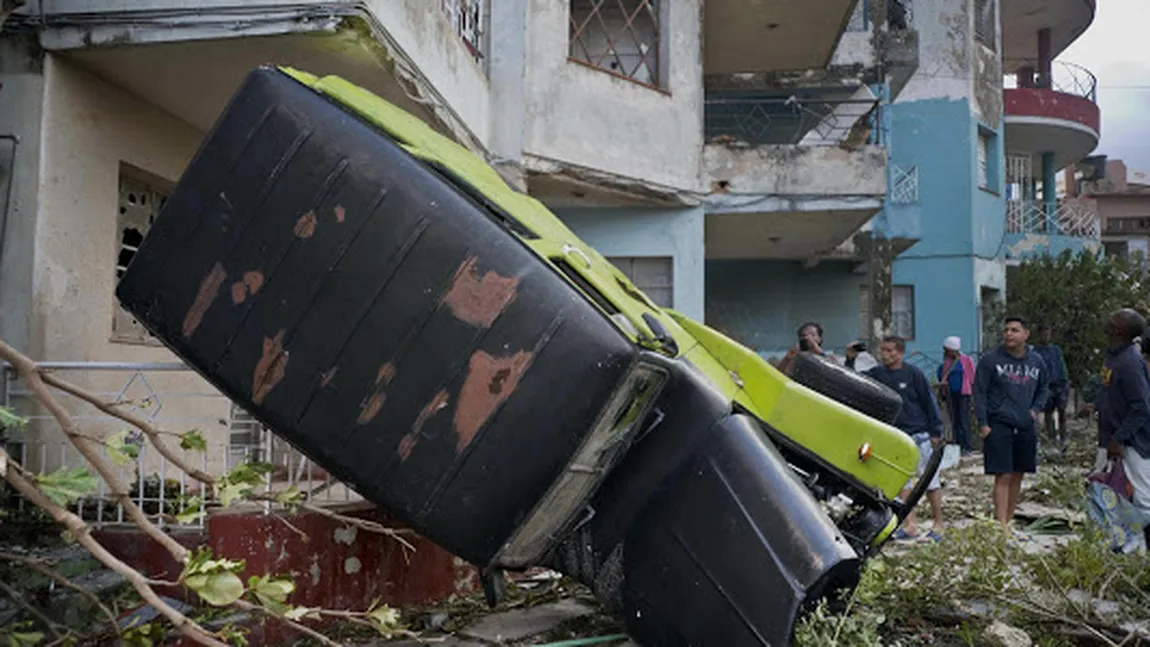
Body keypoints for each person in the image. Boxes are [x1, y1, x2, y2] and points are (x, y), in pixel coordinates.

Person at [865, 335, 946, 542]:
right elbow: (856, 379)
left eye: (890, 350)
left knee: (930, 481)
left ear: (900, 353)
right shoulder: (877, 374)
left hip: (918, 435)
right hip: (894, 436)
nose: (886, 354)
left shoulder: (913, 374)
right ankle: (910, 525)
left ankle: (939, 524)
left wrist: (936, 431)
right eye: (883, 350)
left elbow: (929, 402)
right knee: (902, 482)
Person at [973, 316, 1049, 535]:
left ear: (1026, 334)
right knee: (1002, 474)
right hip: (999, 423)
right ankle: (1000, 525)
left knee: (1018, 474)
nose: (1009, 334)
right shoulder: (990, 360)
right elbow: (980, 392)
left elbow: (1044, 387)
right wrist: (983, 423)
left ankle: (1010, 518)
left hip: (1025, 424)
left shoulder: (1036, 361)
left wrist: (1035, 410)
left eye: (1015, 330)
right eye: (1006, 330)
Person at [1098, 308, 1150, 544]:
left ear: (1122, 329)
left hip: (1133, 443)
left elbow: (1140, 407)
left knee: (1142, 499)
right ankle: (1124, 545)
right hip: (1112, 440)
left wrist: (1119, 438)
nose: (1109, 319)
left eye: (1115, 317)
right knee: (1113, 494)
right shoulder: (1113, 357)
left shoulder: (1129, 362)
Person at [937, 336, 976, 455]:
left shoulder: (966, 360)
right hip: (950, 394)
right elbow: (941, 374)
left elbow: (972, 376)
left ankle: (967, 447)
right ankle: (957, 445)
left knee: (963, 420)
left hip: (963, 394)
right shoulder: (946, 363)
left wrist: (974, 393)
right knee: (954, 420)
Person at [1034, 325, 1070, 447]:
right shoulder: (1035, 352)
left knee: (1062, 410)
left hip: (1060, 384)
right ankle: (1051, 437)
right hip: (1046, 386)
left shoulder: (1055, 350)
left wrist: (1064, 382)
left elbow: (1062, 366)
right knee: (1048, 412)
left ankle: (1064, 436)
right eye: (1043, 334)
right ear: (1039, 335)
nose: (1046, 336)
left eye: (1048, 334)